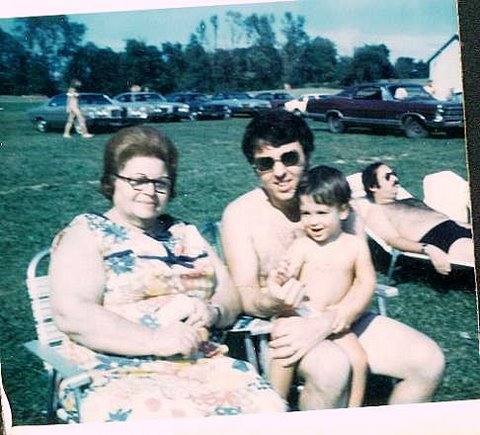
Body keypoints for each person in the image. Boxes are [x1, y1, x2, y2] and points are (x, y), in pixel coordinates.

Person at [49, 126, 285, 422]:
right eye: (138, 181)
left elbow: (230, 296)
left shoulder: (184, 232)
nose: (150, 191)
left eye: (161, 183)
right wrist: (155, 340)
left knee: (268, 409)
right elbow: (72, 313)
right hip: (116, 368)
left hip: (200, 363)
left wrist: (213, 311)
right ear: (112, 181)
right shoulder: (88, 232)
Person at [221, 110, 445, 410]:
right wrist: (273, 301)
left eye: (289, 158)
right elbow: (245, 293)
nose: (279, 172)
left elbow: (362, 279)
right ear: (255, 168)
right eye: (265, 163)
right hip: (284, 324)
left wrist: (330, 320)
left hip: (343, 316)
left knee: (429, 361)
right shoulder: (241, 216)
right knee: (331, 369)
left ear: (308, 155)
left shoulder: (343, 210)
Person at [268, 165, 374, 408]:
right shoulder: (302, 245)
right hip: (300, 313)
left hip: (334, 318)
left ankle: (354, 413)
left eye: (322, 213)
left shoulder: (355, 245)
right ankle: (274, 404)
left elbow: (367, 280)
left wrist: (346, 311)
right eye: (306, 213)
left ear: (343, 211)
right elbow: (286, 274)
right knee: (284, 345)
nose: (313, 222)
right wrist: (281, 275)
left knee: (359, 359)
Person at [359, 162, 474, 275]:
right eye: (388, 177)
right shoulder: (376, 211)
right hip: (442, 241)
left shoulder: (408, 201)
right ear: (373, 186)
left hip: (458, 227)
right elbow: (393, 240)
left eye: (394, 174)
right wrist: (428, 249)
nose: (395, 179)